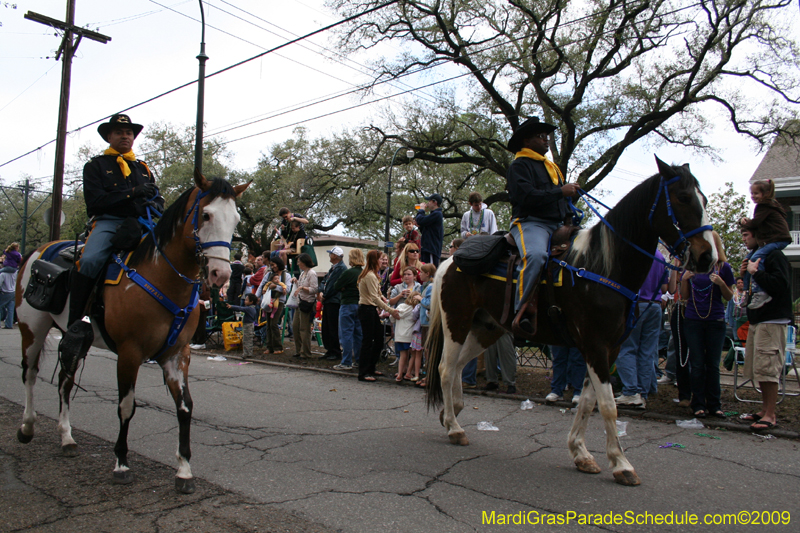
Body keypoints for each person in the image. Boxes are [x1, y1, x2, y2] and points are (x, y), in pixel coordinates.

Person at [62, 114, 164, 359]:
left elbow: (157, 198)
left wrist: (157, 204)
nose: (125, 136)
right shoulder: (96, 166)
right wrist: (133, 192)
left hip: (141, 224)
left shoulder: (143, 168)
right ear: (109, 136)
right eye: (119, 132)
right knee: (90, 260)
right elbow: (95, 202)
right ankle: (75, 323)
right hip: (109, 222)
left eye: (129, 133)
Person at [505, 117, 579, 335]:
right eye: (541, 136)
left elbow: (559, 200)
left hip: (557, 224)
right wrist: (560, 191)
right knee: (536, 256)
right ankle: (521, 312)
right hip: (531, 222)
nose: (546, 140)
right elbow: (527, 197)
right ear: (526, 141)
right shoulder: (519, 166)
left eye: (547, 136)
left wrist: (569, 211)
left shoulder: (551, 167)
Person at [739, 228, 792, 431]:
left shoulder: (774, 255)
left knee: (769, 369)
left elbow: (781, 284)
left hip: (772, 320)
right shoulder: (755, 257)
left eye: (746, 235)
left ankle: (770, 414)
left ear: (758, 234)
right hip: (758, 320)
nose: (744, 239)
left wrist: (756, 273)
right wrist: (746, 275)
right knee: (760, 369)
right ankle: (763, 410)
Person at [680, 232, 734, 418]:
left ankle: (715, 404)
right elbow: (685, 296)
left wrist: (721, 284)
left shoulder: (723, 267)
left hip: (715, 321)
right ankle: (698, 404)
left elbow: (729, 296)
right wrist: (684, 279)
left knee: (712, 364)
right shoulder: (692, 266)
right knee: (697, 364)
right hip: (693, 320)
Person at [614, 251, 667, 409]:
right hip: (655, 306)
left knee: (626, 348)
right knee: (647, 352)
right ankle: (643, 393)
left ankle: (631, 391)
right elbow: (664, 288)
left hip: (636, 304)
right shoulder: (660, 257)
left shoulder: (634, 253)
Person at [739, 179, 791, 309]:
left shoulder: (764, 206)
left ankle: (761, 292)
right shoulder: (767, 207)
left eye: (756, 193)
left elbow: (755, 223)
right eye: (752, 193)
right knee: (749, 259)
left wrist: (743, 222)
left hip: (778, 239)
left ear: (766, 193)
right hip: (772, 239)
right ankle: (746, 292)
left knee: (756, 259)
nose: (753, 196)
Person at [357, 250, 400, 382]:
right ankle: (363, 372)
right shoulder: (370, 276)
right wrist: (390, 310)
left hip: (370, 309)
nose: (383, 261)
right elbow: (374, 297)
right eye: (381, 259)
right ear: (375, 260)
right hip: (366, 309)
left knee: (379, 337)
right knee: (368, 341)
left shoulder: (374, 275)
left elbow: (377, 293)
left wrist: (383, 298)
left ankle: (371, 367)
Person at [333, 248, 364, 370]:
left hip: (347, 304)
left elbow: (337, 286)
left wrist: (343, 287)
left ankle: (346, 361)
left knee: (346, 334)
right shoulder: (364, 273)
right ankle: (359, 360)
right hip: (360, 304)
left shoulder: (348, 273)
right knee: (358, 334)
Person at [319, 246, 347, 361]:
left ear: (335, 256)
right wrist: (321, 290)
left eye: (331, 254)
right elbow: (324, 281)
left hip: (334, 301)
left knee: (332, 327)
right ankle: (329, 349)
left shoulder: (341, 268)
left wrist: (324, 295)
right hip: (329, 300)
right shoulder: (333, 268)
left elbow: (333, 285)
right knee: (326, 326)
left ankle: (335, 351)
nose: (329, 255)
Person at [258, 258, 291, 354]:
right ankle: (269, 346)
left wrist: (276, 287)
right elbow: (262, 285)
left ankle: (278, 347)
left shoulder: (286, 275)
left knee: (273, 323)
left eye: (273, 265)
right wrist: (257, 297)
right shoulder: (269, 274)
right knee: (268, 324)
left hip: (279, 301)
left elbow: (287, 289)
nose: (272, 267)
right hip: (269, 300)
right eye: (271, 265)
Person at [291, 253, 318, 359]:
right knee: (295, 326)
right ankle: (298, 350)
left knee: (304, 328)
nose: (298, 263)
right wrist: (296, 282)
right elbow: (301, 286)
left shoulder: (312, 273)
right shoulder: (303, 273)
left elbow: (314, 289)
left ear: (304, 262)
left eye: (299, 261)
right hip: (299, 302)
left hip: (307, 303)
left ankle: (306, 352)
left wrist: (302, 288)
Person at [392, 291, 421, 382]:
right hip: (408, 335)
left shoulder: (400, 306)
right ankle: (408, 372)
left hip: (399, 335)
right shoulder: (414, 309)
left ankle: (399, 374)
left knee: (402, 355)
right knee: (413, 355)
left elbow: (392, 318)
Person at [415, 193, 444, 266]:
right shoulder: (433, 215)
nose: (428, 203)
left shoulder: (437, 214)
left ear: (435, 202)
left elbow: (420, 220)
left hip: (431, 249)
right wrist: (420, 226)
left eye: (429, 201)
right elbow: (427, 231)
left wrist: (421, 210)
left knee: (430, 270)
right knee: (425, 269)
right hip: (427, 248)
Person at [227, 294, 259, 359]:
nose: (245, 301)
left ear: (251, 301)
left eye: (246, 300)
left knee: (246, 340)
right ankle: (249, 353)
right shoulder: (253, 308)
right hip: (250, 325)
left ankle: (246, 354)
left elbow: (240, 308)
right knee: (248, 340)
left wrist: (231, 306)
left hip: (248, 326)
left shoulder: (249, 308)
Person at [725, 277, 747, 342]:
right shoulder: (733, 295)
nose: (740, 284)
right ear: (736, 284)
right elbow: (729, 307)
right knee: (736, 338)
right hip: (735, 319)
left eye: (742, 282)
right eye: (738, 283)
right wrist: (726, 319)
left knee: (746, 338)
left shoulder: (748, 293)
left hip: (746, 319)